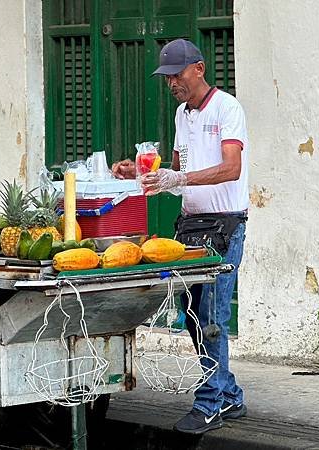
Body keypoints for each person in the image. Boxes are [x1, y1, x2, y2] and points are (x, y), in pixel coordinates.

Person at [112, 39, 249, 434]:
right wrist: (142, 175)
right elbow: (175, 170)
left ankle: (210, 405)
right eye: (167, 77)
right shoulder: (180, 115)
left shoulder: (227, 108)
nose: (171, 82)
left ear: (199, 69)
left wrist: (179, 178)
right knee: (192, 315)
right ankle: (229, 395)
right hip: (190, 226)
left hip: (225, 225)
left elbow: (231, 168)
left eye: (177, 74)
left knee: (212, 317)